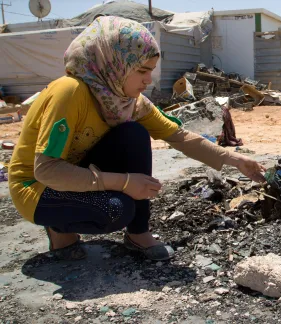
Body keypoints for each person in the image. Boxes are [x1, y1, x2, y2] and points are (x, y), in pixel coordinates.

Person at [8, 16, 266, 261]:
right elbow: (47, 170)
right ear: (114, 62)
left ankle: (138, 233)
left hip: (76, 173)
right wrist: (124, 182)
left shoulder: (128, 101)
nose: (148, 80)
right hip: (38, 188)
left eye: (151, 70)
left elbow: (178, 136)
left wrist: (235, 159)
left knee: (133, 134)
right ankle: (58, 229)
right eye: (141, 70)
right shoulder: (69, 92)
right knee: (115, 209)